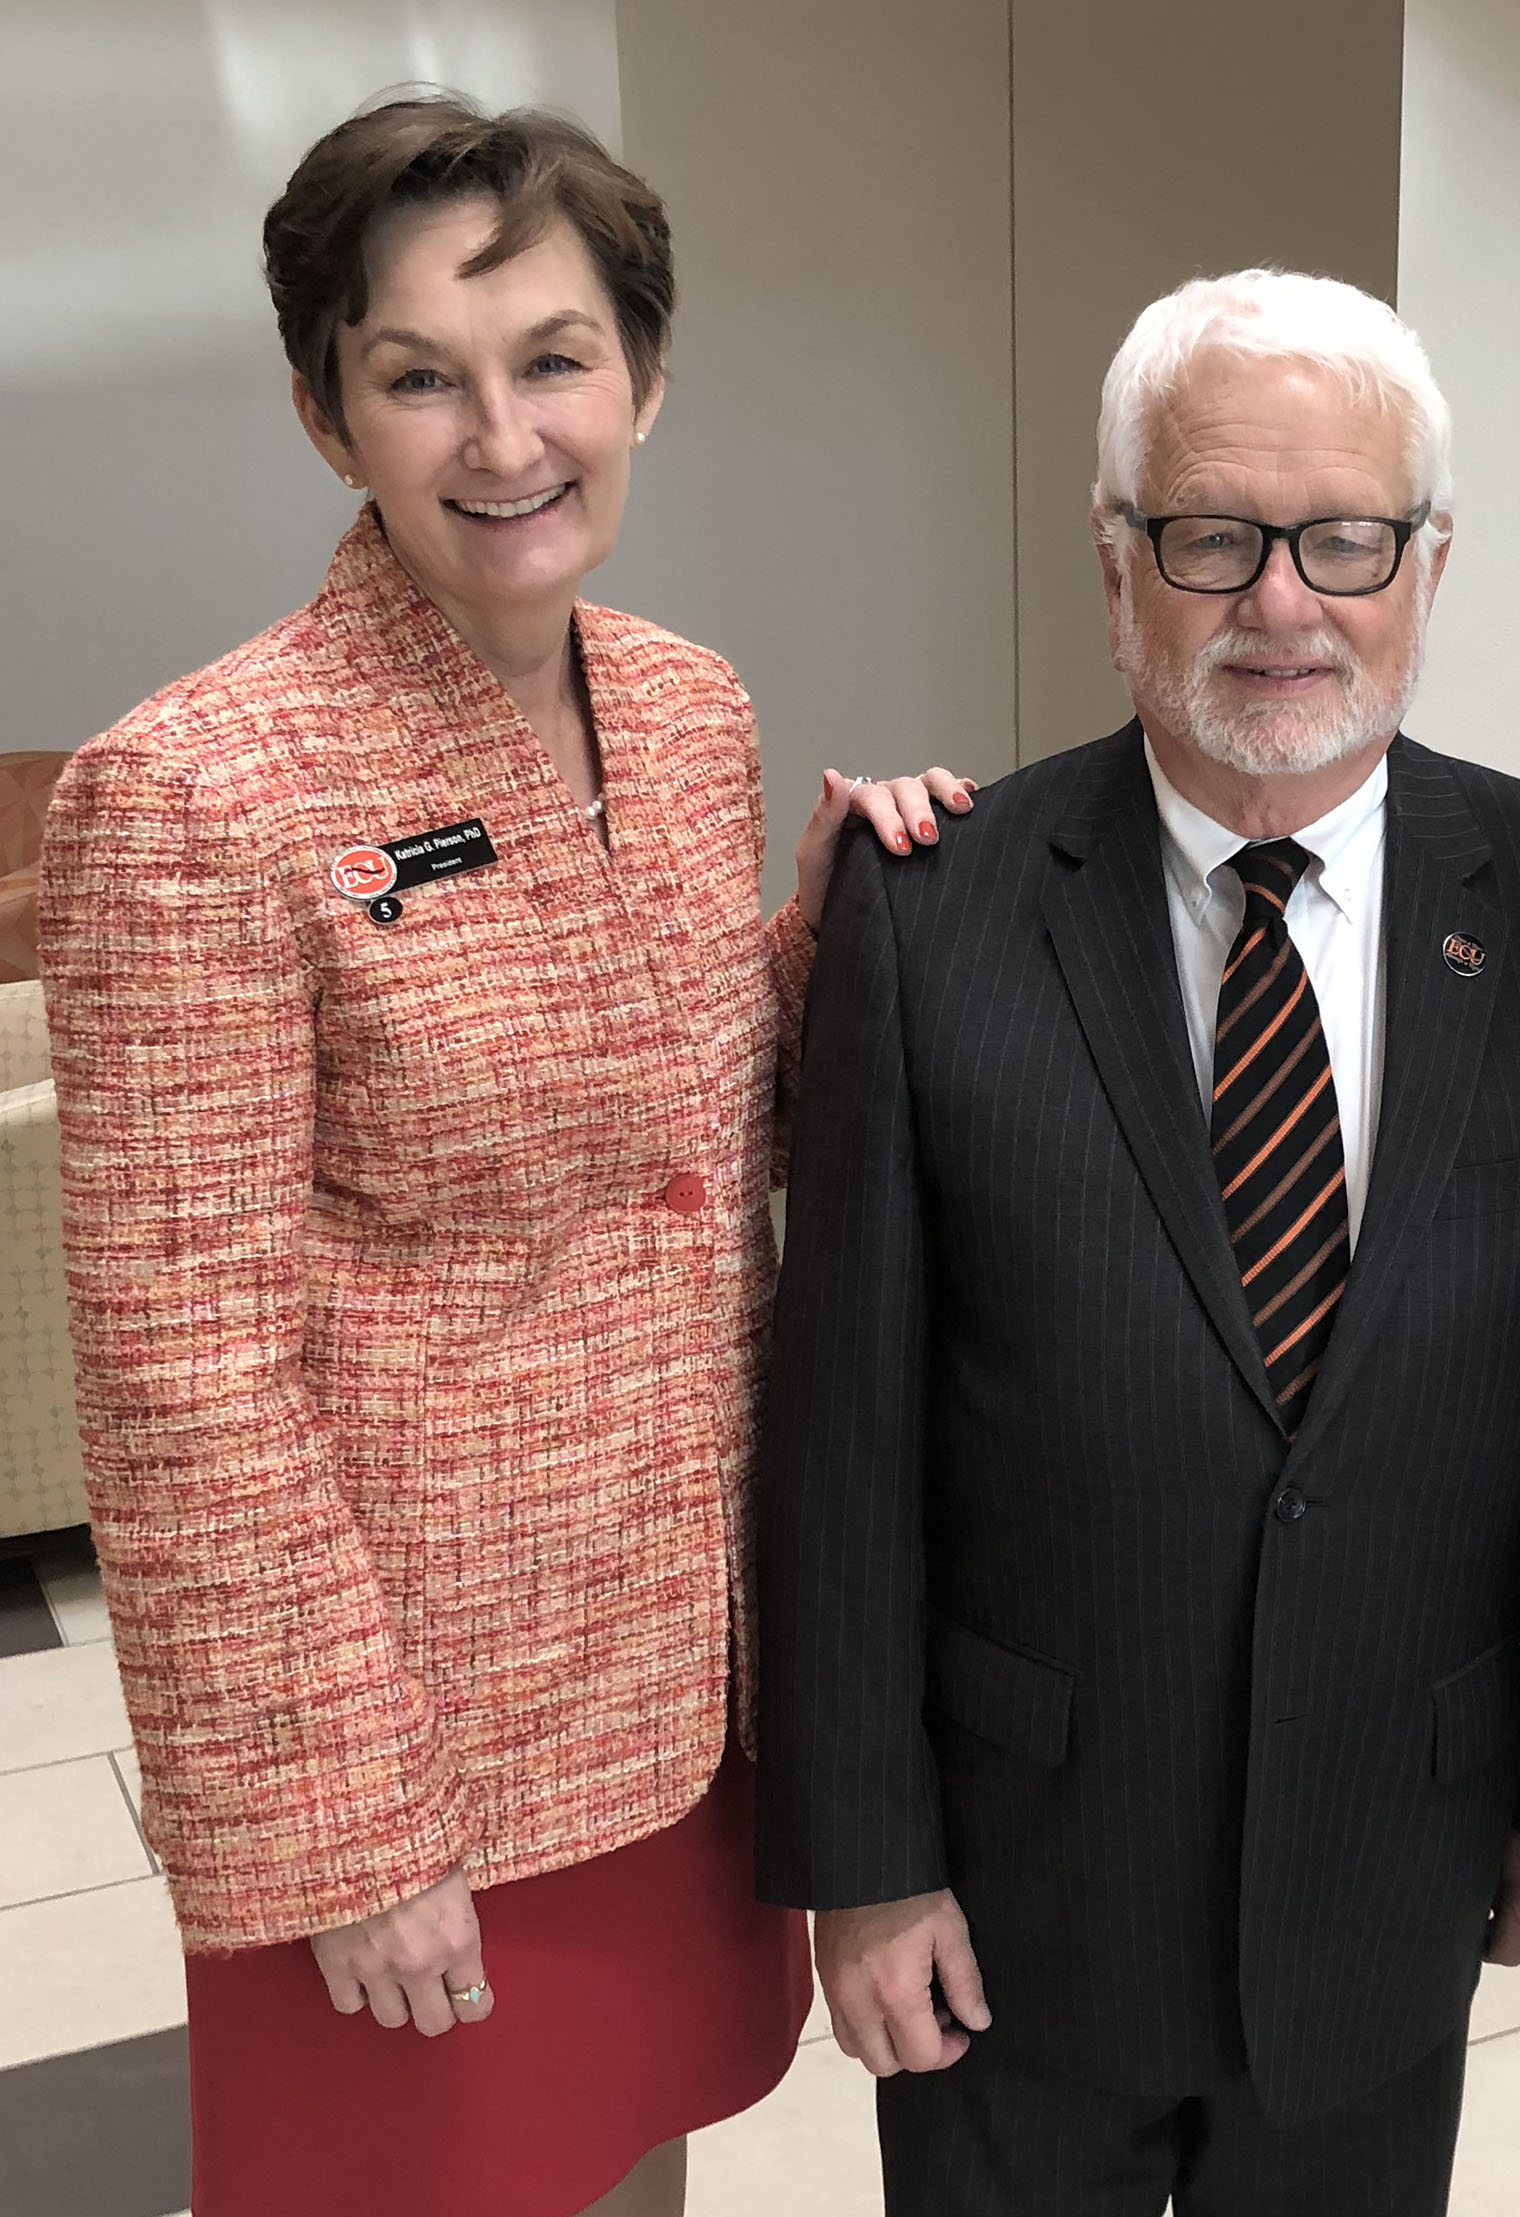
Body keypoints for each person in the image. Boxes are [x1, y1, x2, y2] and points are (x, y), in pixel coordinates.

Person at [38, 96, 965, 2217]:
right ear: (325, 415)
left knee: (628, 2161)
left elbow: (668, 1129)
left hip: (681, 1671)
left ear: (645, 378)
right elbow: (181, 1374)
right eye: (418, 377)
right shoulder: (197, 790)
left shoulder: (687, 707)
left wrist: (836, 943)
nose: (502, 436)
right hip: (414, 1739)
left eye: (553, 359)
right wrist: (344, 1820)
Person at [753, 269, 1520, 2215]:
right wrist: (868, 1861)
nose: (1282, 602)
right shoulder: (931, 908)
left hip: (1393, 1867)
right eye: (1213, 536)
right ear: (1115, 561)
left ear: (1428, 564)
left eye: (1346, 539)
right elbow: (842, 1438)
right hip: (1015, 1891)